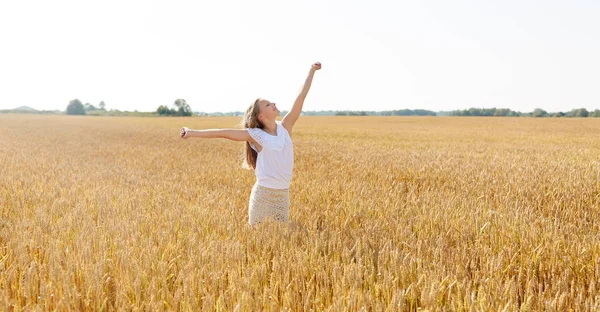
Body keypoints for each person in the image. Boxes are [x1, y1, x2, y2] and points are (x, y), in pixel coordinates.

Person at [180, 62, 322, 225]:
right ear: (260, 116)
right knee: (256, 236)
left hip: (283, 194)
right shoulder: (256, 135)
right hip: (263, 195)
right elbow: (222, 133)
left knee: (282, 237)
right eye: (268, 105)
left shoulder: (286, 127)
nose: (274, 103)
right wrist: (191, 132)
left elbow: (300, 97)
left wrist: (311, 71)